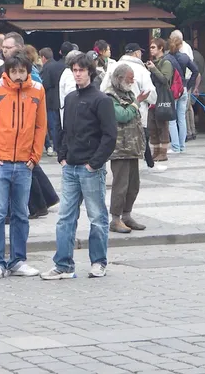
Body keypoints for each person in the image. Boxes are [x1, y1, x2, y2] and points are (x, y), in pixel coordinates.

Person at [41, 53, 117, 280]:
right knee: (65, 218)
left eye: (81, 70)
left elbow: (110, 136)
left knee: (97, 217)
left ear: (90, 72)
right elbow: (65, 129)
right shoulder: (71, 98)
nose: (77, 74)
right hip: (71, 167)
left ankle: (98, 262)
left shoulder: (102, 100)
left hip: (89, 168)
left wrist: (94, 163)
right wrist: (62, 156)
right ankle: (63, 264)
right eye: (74, 70)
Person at [0, 51, 47, 280]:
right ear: (7, 72)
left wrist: (35, 156)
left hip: (24, 162)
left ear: (28, 71)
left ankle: (17, 260)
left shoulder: (37, 90)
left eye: (21, 71)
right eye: (14, 71)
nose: (17, 75)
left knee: (21, 214)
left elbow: (40, 126)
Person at [104, 64, 149, 234]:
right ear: (119, 78)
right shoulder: (110, 96)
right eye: (129, 78)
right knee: (121, 185)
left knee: (133, 185)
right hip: (120, 149)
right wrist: (137, 102)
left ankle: (127, 215)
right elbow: (122, 116)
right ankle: (115, 219)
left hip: (132, 147)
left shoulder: (129, 94)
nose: (132, 81)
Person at [165, 34, 200, 154]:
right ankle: (182, 145)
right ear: (180, 45)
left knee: (172, 119)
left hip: (173, 89)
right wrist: (188, 85)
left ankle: (175, 146)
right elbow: (195, 71)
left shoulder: (167, 58)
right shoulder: (185, 57)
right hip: (183, 88)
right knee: (181, 117)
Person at [146, 38, 173, 165]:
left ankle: (163, 152)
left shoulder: (166, 62)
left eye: (153, 47)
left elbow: (165, 79)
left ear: (161, 48)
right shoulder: (153, 62)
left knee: (162, 125)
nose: (151, 50)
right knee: (152, 126)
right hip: (152, 97)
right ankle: (155, 151)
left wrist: (153, 69)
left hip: (162, 97)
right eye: (150, 47)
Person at [39, 45, 67, 155]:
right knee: (59, 124)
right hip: (60, 98)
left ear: (43, 57)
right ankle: (60, 146)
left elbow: (44, 84)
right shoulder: (61, 65)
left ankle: (55, 147)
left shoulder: (46, 67)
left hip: (50, 99)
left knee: (52, 125)